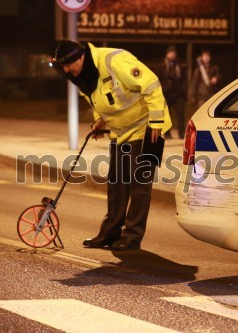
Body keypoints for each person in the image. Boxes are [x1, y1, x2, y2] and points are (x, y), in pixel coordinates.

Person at [51, 40, 171, 250]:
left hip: (147, 129)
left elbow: (151, 85)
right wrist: (100, 120)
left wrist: (157, 123)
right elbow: (98, 100)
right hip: (121, 132)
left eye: (69, 65)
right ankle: (110, 232)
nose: (66, 70)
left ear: (81, 58)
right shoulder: (82, 75)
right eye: (64, 67)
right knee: (116, 184)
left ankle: (132, 236)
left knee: (139, 186)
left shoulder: (114, 60)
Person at [155, 46, 187, 139]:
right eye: (170, 53)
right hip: (166, 94)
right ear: (167, 54)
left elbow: (184, 79)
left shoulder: (179, 65)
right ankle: (167, 133)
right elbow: (156, 79)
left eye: (174, 53)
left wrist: (182, 90)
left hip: (178, 94)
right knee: (166, 115)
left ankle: (181, 133)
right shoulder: (161, 65)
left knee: (181, 114)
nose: (172, 54)